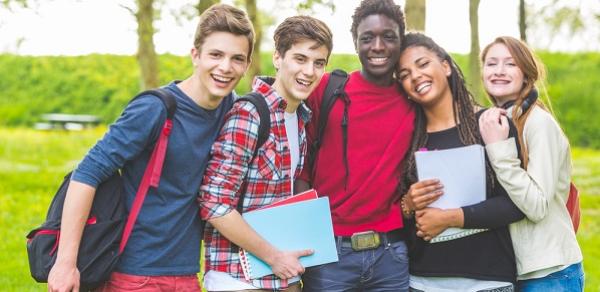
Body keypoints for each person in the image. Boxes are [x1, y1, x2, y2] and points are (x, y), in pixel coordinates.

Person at [47, 4, 254, 292]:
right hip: (133, 274)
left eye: (237, 59)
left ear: (246, 64)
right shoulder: (155, 109)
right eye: (216, 55)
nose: (225, 67)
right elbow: (87, 174)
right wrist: (65, 263)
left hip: (186, 275)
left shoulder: (234, 110)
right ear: (196, 55)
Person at [198, 15, 333, 291]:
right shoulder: (251, 114)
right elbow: (214, 204)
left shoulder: (301, 119)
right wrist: (274, 257)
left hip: (282, 277)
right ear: (278, 58)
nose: (309, 71)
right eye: (300, 59)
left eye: (318, 63)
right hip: (237, 279)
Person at [295, 0, 415, 290]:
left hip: (391, 255)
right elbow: (300, 167)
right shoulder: (326, 90)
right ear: (355, 42)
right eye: (367, 38)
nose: (378, 46)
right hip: (329, 256)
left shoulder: (414, 101)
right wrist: (310, 236)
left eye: (388, 37)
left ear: (401, 41)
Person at [397, 32, 525, 292]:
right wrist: (408, 204)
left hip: (489, 282)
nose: (415, 76)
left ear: (445, 66)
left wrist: (450, 218)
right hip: (423, 282)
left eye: (422, 64)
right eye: (405, 74)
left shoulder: (490, 124)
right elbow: (393, 212)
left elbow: (516, 204)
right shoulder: (404, 137)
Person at [479, 36, 584, 291]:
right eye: (492, 63)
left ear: (526, 74)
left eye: (510, 64)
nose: (499, 71)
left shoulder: (539, 123)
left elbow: (536, 205)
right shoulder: (499, 121)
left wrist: (497, 149)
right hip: (514, 270)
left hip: (549, 274)